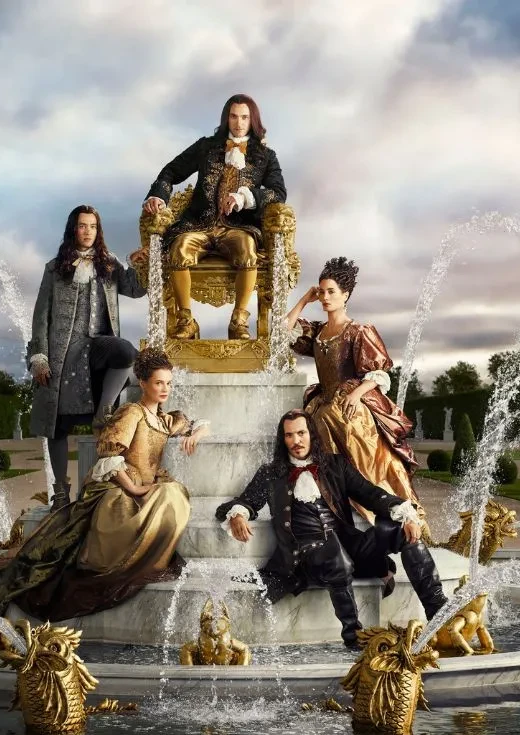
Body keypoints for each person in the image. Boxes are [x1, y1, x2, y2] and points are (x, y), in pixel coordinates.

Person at [0, 348, 209, 621]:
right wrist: (135, 488)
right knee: (171, 494)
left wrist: (196, 433)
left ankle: (151, 559)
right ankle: (129, 560)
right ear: (143, 383)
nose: (165, 389)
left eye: (169, 383)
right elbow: (109, 455)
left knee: (174, 493)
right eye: (159, 382)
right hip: (119, 491)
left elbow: (199, 424)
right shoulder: (132, 413)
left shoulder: (163, 420)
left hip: (146, 489)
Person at [215, 410, 450, 650]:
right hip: (305, 555)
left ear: (311, 434)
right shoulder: (271, 473)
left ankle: (439, 614)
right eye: (289, 435)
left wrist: (406, 515)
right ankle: (354, 635)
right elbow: (245, 501)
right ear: (282, 439)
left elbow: (370, 494)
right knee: (336, 557)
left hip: (346, 544)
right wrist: (238, 514)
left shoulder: (335, 464)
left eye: (301, 433)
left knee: (400, 531)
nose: (296, 441)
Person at [27, 204, 151, 506]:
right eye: (83, 226)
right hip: (62, 352)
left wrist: (142, 263)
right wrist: (39, 356)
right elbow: (41, 315)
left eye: (93, 226)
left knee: (125, 351)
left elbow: (136, 290)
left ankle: (103, 413)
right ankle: (60, 491)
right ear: (74, 229)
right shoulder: (55, 268)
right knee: (57, 423)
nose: (88, 232)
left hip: (97, 346)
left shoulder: (108, 265)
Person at [284, 256, 423, 523]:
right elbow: (281, 332)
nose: (325, 297)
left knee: (357, 447)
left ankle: (380, 509)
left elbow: (379, 372)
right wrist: (303, 300)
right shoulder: (317, 332)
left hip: (350, 403)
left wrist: (356, 394)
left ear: (345, 295)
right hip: (322, 405)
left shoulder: (359, 330)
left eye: (331, 292)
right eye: (321, 292)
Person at [143, 93, 287, 341]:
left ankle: (239, 322)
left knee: (247, 249)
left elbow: (278, 193)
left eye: (244, 117)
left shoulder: (266, 156)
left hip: (239, 227)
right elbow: (171, 171)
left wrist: (245, 197)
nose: (239, 123)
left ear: (253, 119)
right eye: (233, 116)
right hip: (200, 223)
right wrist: (158, 196)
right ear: (226, 118)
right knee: (179, 248)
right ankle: (186, 321)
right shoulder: (206, 146)